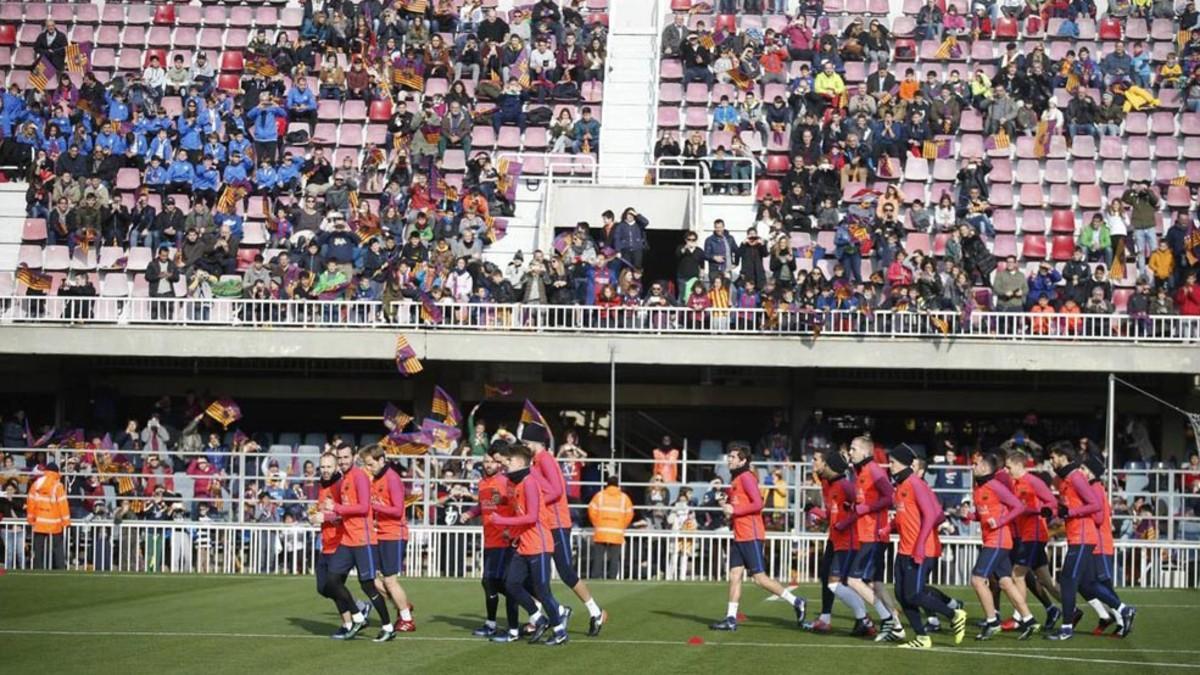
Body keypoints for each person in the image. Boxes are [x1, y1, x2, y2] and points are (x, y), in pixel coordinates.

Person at [709, 446, 807, 631]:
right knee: (734, 575)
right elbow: (737, 500)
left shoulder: (747, 477)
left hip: (751, 535)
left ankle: (797, 601)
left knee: (760, 579)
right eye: (729, 456)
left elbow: (758, 503)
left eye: (732, 457)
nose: (728, 460)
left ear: (743, 460)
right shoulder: (737, 478)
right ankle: (730, 619)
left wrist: (734, 509)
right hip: (740, 534)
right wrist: (724, 497)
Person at [523, 421, 607, 635]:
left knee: (566, 571)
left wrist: (536, 501)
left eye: (526, 441)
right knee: (534, 572)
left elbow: (557, 491)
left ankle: (595, 611)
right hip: (546, 522)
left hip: (557, 522)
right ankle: (543, 615)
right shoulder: (537, 460)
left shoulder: (545, 459)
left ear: (535, 442)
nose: (524, 445)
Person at [887, 444, 969, 649]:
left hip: (921, 549)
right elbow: (906, 517)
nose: (890, 466)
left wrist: (921, 544)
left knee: (914, 594)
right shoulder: (900, 487)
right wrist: (889, 527)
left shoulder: (915, 483)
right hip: (905, 548)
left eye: (893, 462)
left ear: (904, 463)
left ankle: (954, 614)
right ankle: (922, 637)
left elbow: (934, 515)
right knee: (901, 594)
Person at [488, 442, 569, 646]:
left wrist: (502, 522)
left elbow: (532, 517)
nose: (505, 464)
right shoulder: (516, 484)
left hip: (539, 545)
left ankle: (559, 631)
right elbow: (522, 514)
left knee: (542, 591)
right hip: (525, 544)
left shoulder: (530, 483)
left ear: (521, 462)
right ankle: (538, 619)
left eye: (509, 460)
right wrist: (512, 532)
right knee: (511, 584)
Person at [1044, 441, 1111, 641]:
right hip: (1076, 536)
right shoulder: (1065, 479)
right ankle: (1118, 611)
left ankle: (1067, 627)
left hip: (1084, 536)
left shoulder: (1076, 477)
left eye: (1053, 456)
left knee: (1068, 580)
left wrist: (1070, 512)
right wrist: (1055, 511)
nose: (1051, 460)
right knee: (1074, 581)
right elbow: (1069, 506)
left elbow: (1095, 506)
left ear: (1063, 457)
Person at [805, 449, 876, 637]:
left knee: (840, 583)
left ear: (828, 464)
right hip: (835, 538)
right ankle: (828, 618)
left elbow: (858, 507)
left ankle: (873, 619)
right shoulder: (827, 483)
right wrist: (814, 511)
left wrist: (847, 522)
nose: (813, 463)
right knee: (829, 579)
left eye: (816, 460)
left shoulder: (843, 485)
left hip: (847, 539)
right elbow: (832, 514)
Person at [322, 445, 390, 640]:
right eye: (340, 458)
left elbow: (363, 507)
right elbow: (345, 510)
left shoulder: (359, 476)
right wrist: (327, 514)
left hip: (363, 539)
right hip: (348, 538)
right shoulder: (344, 480)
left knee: (367, 585)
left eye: (345, 457)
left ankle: (387, 626)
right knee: (331, 581)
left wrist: (335, 507)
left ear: (353, 457)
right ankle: (359, 616)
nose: (342, 461)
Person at [969, 452, 1039, 640]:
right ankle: (1029, 620)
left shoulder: (994, 486)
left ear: (984, 467)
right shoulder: (979, 488)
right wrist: (971, 516)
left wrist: (1000, 522)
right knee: (1005, 581)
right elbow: (984, 513)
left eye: (976, 464)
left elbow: (1018, 506)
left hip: (998, 540)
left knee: (977, 579)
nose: (972, 467)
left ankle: (992, 622)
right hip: (993, 540)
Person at [845, 436, 905, 642]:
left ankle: (887, 618)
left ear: (865, 452)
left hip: (874, 535)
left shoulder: (874, 470)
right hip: (868, 535)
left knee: (853, 580)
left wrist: (865, 508)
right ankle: (896, 626)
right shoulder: (861, 471)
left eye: (853, 449)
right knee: (876, 583)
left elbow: (890, 497)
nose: (850, 452)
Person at [310, 452, 371, 632]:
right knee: (324, 587)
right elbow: (323, 509)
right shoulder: (322, 485)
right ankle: (359, 608)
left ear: (336, 467)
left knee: (333, 585)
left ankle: (349, 622)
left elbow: (344, 511)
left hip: (340, 541)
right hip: (326, 542)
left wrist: (326, 517)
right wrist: (313, 515)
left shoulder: (339, 485)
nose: (325, 470)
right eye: (323, 467)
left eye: (329, 467)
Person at [1004, 449, 1064, 633]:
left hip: (1034, 534)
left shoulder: (1033, 482)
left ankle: (1022, 617)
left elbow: (1051, 503)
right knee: (1045, 579)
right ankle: (1071, 608)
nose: (1007, 471)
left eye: (1009, 467)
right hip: (1027, 534)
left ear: (1019, 465)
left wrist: (1043, 511)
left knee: (1017, 575)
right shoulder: (1015, 483)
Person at [1080, 454, 1136, 637]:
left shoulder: (1095, 488)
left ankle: (1122, 616)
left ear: (1092, 472)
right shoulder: (1093, 488)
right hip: (1095, 543)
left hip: (1100, 544)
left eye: (1083, 469)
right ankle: (1112, 617)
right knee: (1084, 583)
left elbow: (1099, 517)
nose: (1080, 472)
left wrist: (1079, 513)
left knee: (1101, 584)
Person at [362, 445, 415, 640]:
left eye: (371, 464)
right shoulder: (375, 479)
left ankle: (407, 618)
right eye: (366, 465)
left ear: (381, 460)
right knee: (371, 579)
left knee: (389, 580)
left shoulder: (392, 478)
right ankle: (403, 606)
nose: (369, 468)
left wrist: (373, 506)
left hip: (394, 534)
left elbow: (398, 509)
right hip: (380, 534)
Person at [465, 441, 516, 638]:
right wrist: (470, 513)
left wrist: (510, 530)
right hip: (489, 539)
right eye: (485, 461)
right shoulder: (482, 483)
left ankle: (535, 610)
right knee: (491, 583)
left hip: (503, 540)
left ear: (499, 464)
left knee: (495, 582)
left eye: (491, 461)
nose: (488, 464)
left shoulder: (504, 482)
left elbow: (513, 507)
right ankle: (492, 623)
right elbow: (482, 505)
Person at [587, 476, 634, 580]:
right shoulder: (624, 498)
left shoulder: (599, 496)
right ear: (618, 485)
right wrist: (622, 525)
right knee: (614, 558)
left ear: (606, 484)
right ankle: (612, 577)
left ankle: (595, 576)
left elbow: (591, 511)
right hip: (616, 532)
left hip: (601, 531)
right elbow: (629, 514)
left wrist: (597, 524)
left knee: (598, 557)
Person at [27, 461, 70, 569]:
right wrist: (66, 521)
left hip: (40, 521)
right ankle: (61, 568)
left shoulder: (36, 483)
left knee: (38, 547)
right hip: (54, 522)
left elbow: (30, 502)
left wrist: (31, 519)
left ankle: (38, 568)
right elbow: (63, 504)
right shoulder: (58, 485)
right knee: (58, 547)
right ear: (56, 472)